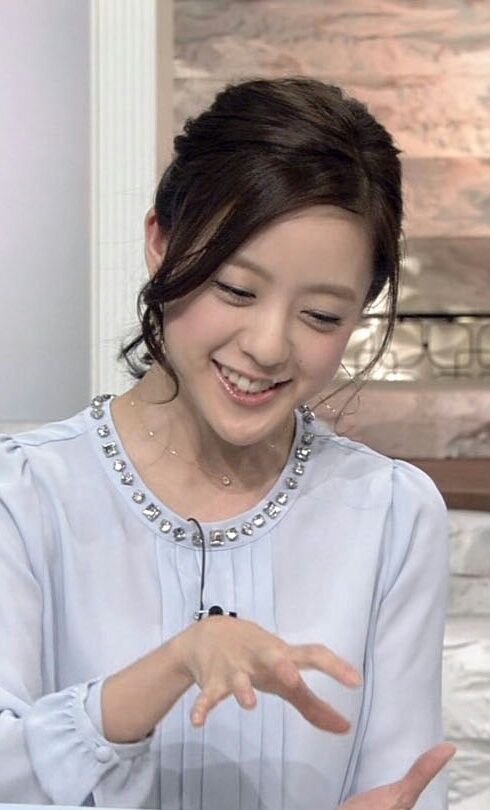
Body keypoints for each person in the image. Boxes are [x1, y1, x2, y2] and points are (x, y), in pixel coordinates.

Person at [0, 76, 454, 809]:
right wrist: (175, 663)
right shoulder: (23, 498)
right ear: (161, 241)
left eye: (321, 316)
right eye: (236, 290)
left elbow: (404, 784)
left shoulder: (393, 514)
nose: (268, 346)